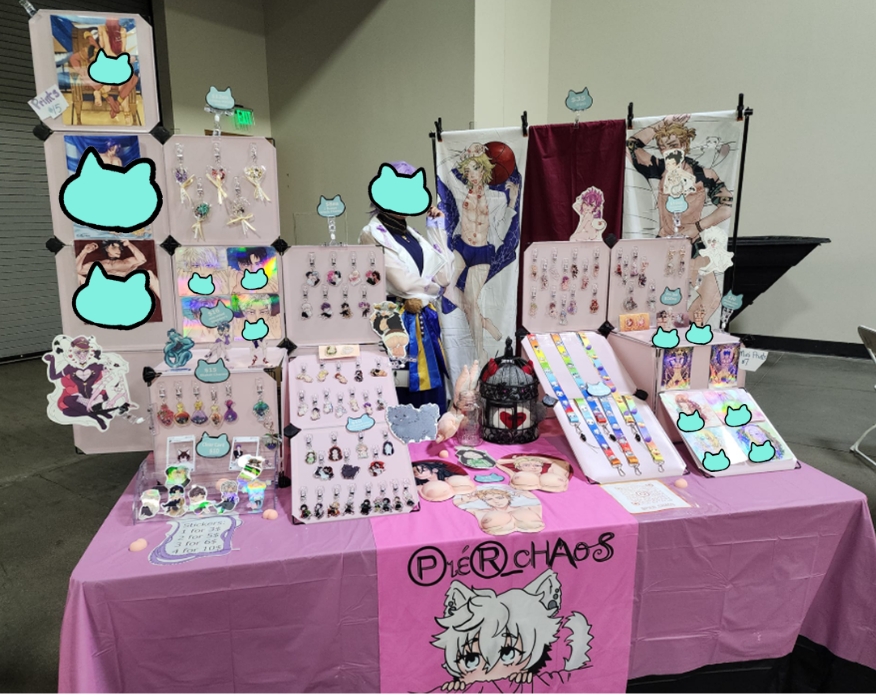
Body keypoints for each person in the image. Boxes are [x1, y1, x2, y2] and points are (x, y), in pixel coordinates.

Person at [361, 161, 454, 412]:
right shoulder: (371, 233)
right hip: (397, 324)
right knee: (402, 391)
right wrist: (433, 290)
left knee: (432, 392)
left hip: (426, 321)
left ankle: (433, 435)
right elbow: (402, 282)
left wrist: (436, 229)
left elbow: (444, 275)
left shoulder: (413, 234)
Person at [627, 114, 734, 322]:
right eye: (663, 147)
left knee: (711, 297)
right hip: (665, 244)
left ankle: (687, 331)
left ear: (685, 145)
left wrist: (698, 226)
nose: (669, 151)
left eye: (674, 145)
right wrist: (661, 124)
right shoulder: (658, 168)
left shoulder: (704, 174)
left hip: (693, 243)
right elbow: (631, 145)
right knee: (658, 297)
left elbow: (726, 207)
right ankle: (665, 332)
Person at [440, 144, 520, 364]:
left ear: (484, 169)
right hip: (462, 247)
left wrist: (512, 202)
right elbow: (445, 166)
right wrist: (467, 152)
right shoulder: (460, 190)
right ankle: (485, 323)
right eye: (467, 170)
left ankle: (480, 352)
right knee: (445, 287)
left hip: (482, 252)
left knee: (469, 300)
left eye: (475, 168)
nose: (470, 174)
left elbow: (501, 230)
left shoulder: (496, 198)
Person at [76, 240, 161, 304]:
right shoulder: (98, 264)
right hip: (104, 292)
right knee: (77, 277)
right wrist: (84, 252)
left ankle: (166, 301)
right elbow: (77, 270)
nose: (118, 250)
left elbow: (142, 259)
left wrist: (129, 244)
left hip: (124, 291)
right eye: (114, 247)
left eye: (119, 248)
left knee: (149, 274)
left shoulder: (126, 262)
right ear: (106, 248)